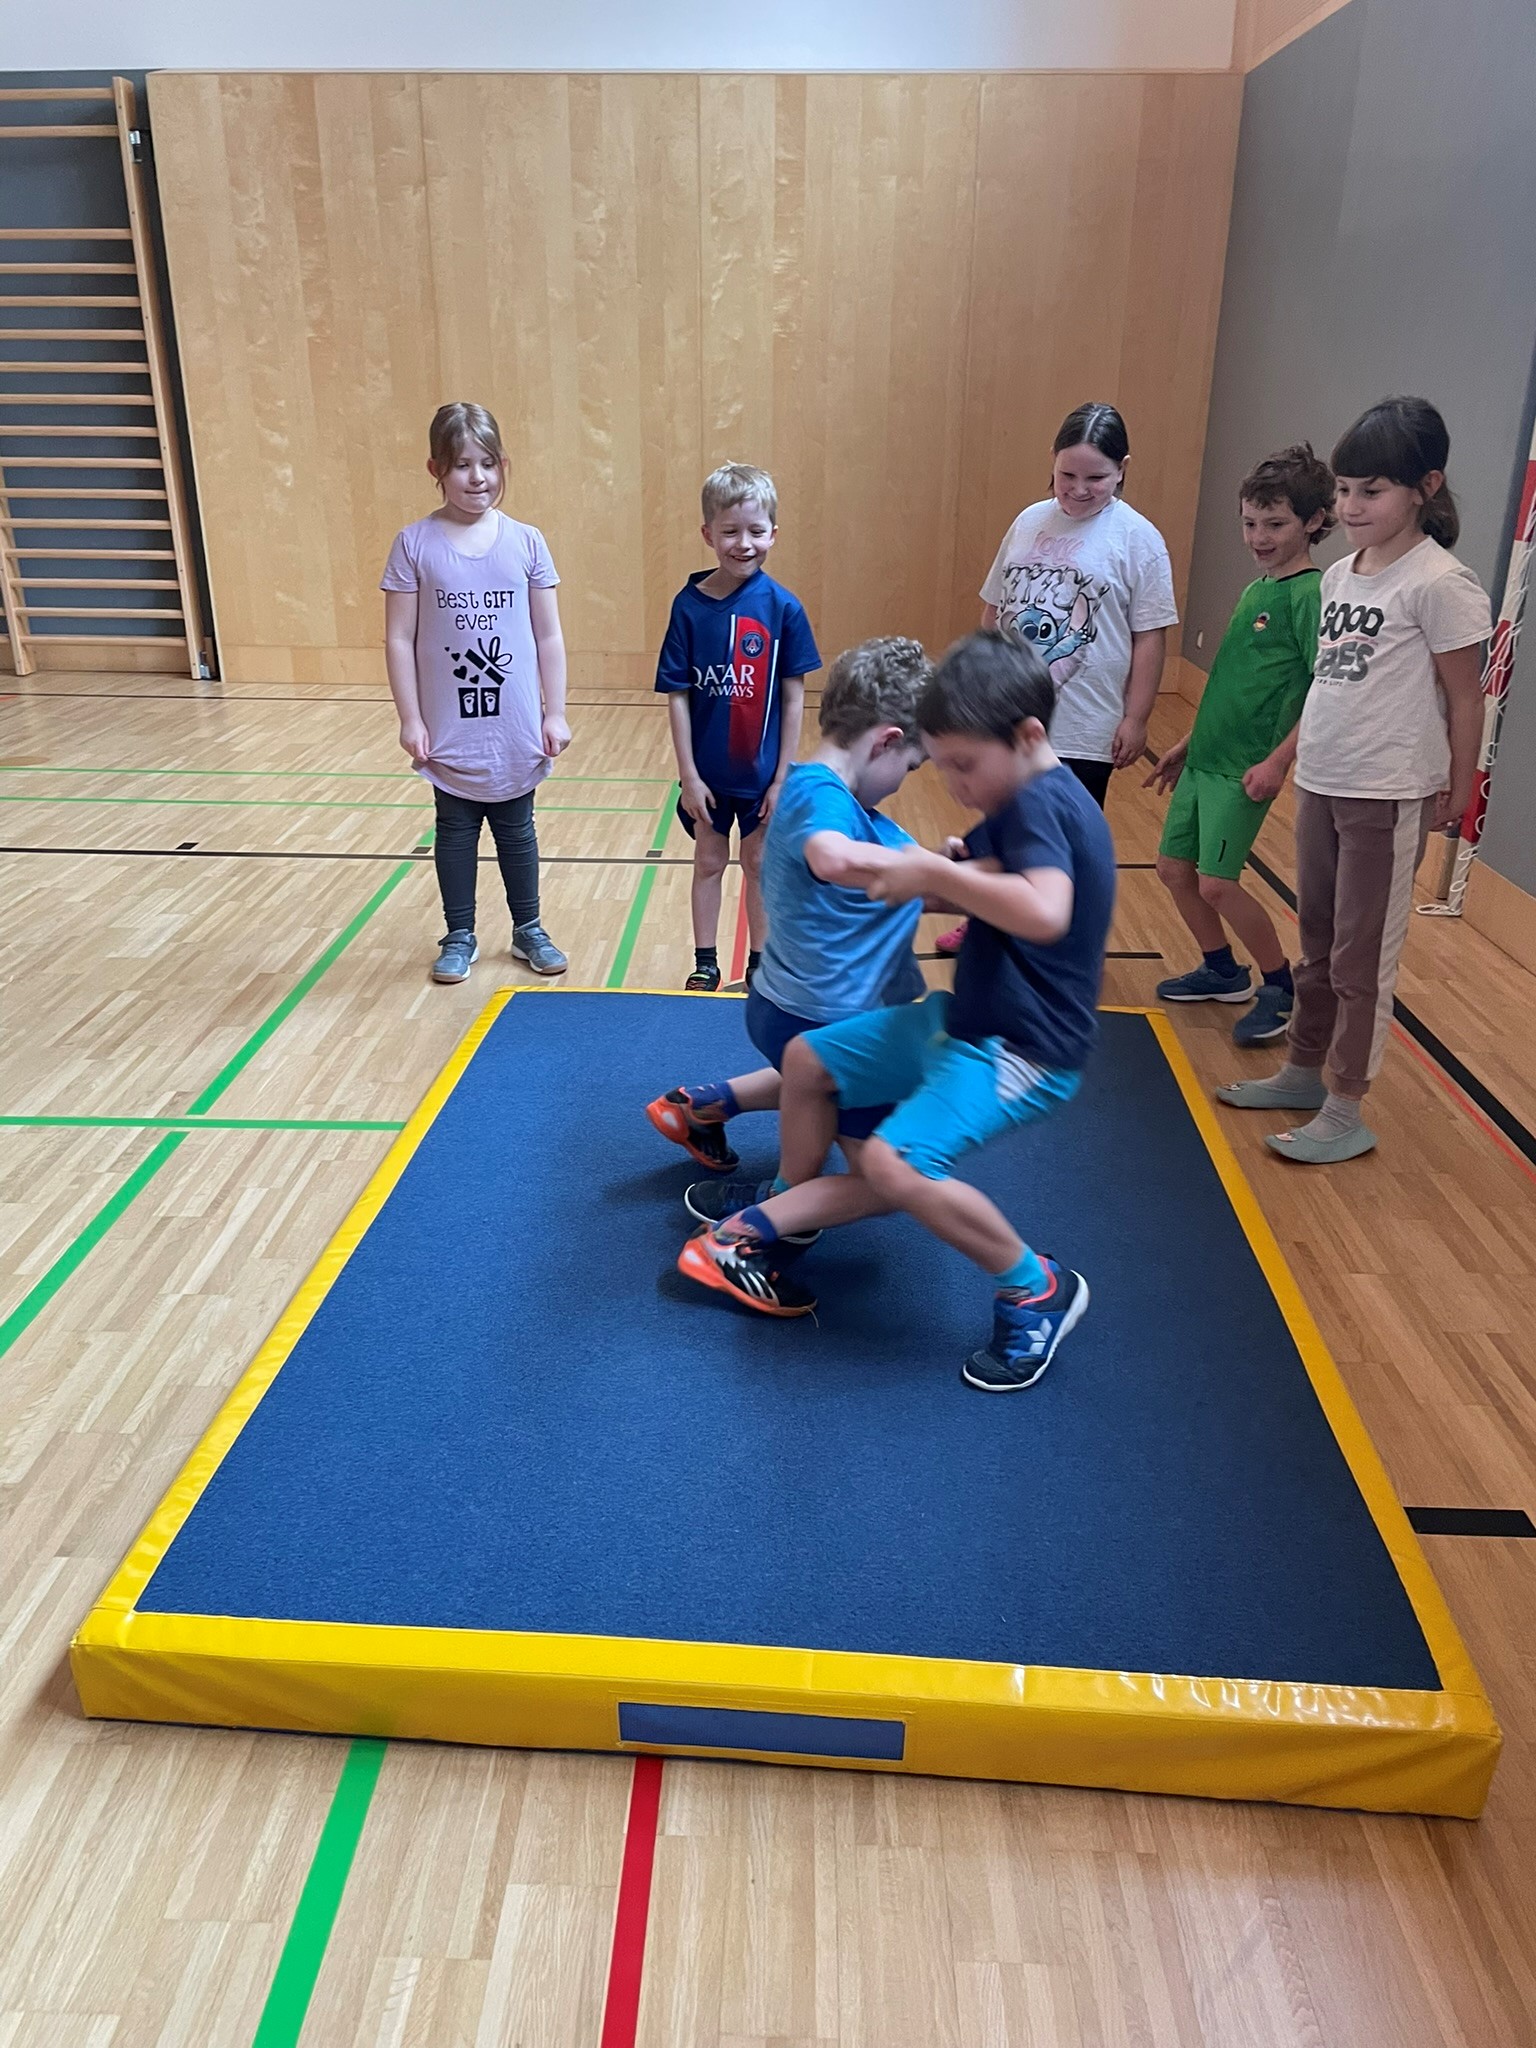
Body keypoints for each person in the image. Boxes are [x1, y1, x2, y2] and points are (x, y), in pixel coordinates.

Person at [676, 631, 1116, 1392]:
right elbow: (980, 886)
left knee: (893, 1162)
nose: (954, 785)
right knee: (808, 1061)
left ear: (1027, 737)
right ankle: (792, 1210)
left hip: (1023, 1048)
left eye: (963, 765)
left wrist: (926, 872)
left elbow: (1045, 911)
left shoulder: (1046, 800)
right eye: (940, 765)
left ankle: (1034, 1285)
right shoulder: (1015, 799)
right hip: (964, 1021)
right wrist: (939, 874)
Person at [1218, 397, 1491, 1162]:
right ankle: (1304, 1071)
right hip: (1325, 782)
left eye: (1371, 491)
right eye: (1344, 490)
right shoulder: (1340, 575)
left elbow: (1466, 697)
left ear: (1425, 487)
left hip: (1388, 791)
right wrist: (1294, 760)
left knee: (1359, 958)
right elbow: (1328, 683)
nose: (1351, 506)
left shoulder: (1439, 582)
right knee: (1316, 944)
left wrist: (1460, 786)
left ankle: (1346, 1106)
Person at [645, 637, 932, 1199]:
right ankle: (768, 1224)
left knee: (814, 1084)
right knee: (882, 1175)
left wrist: (955, 874)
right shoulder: (822, 799)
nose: (904, 780)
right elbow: (831, 855)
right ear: (886, 741)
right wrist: (940, 875)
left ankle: (701, 1106)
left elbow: (890, 867)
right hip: (821, 1020)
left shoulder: (826, 793)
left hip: (791, 1009)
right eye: (911, 766)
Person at [934, 400, 1175, 957]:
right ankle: (988, 919)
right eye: (1068, 475)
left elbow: (1150, 636)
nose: (1079, 489)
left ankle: (1058, 940)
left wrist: (1136, 717)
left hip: (1084, 723)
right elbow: (994, 608)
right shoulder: (1028, 521)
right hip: (1008, 714)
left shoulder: (1138, 539)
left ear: (1123, 469)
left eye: (1097, 478)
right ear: (1052, 461)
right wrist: (977, 684)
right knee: (1000, 823)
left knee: (1062, 836)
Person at [1147, 444, 1334, 1046]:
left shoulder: (1310, 594)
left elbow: (1325, 688)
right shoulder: (1257, 591)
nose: (1258, 537)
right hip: (1204, 761)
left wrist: (1278, 761)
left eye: (1274, 524)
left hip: (1243, 771)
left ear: (1313, 520)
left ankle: (1280, 986)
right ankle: (1222, 971)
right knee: (1174, 870)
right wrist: (1188, 742)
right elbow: (1234, 684)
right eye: (1250, 523)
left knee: (1217, 883)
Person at [382, 401, 570, 983]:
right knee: (455, 831)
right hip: (450, 726)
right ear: (436, 469)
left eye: (487, 463)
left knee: (517, 830)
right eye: (462, 465)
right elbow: (399, 639)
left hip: (514, 726)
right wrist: (411, 718)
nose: (477, 477)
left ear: (503, 465)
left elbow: (548, 635)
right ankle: (459, 933)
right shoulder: (414, 544)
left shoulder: (527, 542)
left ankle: (528, 928)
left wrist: (555, 712)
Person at [657, 462, 821, 991]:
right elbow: (677, 695)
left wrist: (781, 778)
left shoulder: (784, 608)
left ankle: (759, 963)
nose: (743, 544)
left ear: (774, 533)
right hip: (707, 775)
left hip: (761, 776)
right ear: (708, 534)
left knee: (758, 863)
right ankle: (704, 962)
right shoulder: (687, 607)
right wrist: (689, 776)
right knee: (708, 860)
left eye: (755, 531)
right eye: (730, 531)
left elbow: (793, 697)